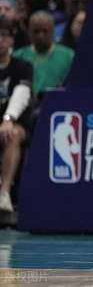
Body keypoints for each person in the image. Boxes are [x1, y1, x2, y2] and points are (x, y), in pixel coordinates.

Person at [0, 16, 32, 213]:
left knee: (12, 135)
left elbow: (22, 94)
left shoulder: (22, 66)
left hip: (14, 124)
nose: (0, 40)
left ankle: (4, 194)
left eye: (4, 36)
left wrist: (8, 119)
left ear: (12, 40)